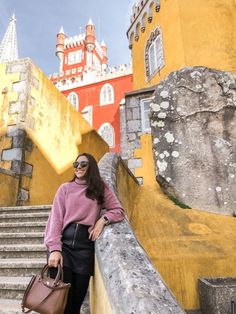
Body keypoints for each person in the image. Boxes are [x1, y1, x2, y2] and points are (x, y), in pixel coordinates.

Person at [44, 153, 125, 314]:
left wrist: (103, 220)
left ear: (91, 167)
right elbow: (55, 219)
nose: (78, 167)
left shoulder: (99, 188)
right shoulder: (65, 189)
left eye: (83, 164)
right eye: (76, 164)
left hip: (85, 249)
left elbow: (118, 210)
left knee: (76, 303)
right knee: (59, 302)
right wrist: (54, 248)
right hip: (63, 248)